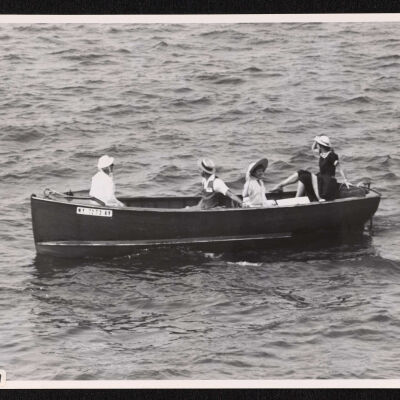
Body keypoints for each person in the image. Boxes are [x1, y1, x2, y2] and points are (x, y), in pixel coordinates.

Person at [271, 135, 350, 202]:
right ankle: (281, 186)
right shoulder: (322, 153)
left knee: (304, 176)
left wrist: (345, 180)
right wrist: (316, 140)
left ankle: (297, 199)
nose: (316, 145)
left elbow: (340, 168)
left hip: (327, 182)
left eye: (318, 144)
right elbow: (313, 148)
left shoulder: (332, 155)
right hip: (321, 179)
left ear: (320, 145)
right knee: (301, 173)